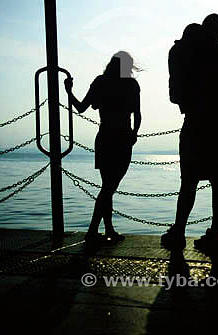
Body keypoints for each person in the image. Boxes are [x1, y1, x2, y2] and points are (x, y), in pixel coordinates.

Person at [161, 14, 218, 260]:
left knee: (188, 180)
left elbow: (175, 96)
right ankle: (216, 233)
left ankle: (179, 230)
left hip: (195, 121)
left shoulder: (190, 54)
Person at [64, 51, 142, 247]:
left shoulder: (101, 81)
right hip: (123, 138)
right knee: (109, 188)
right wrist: (134, 133)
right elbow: (138, 114)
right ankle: (93, 231)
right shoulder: (131, 85)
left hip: (105, 137)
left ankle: (107, 230)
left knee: (107, 186)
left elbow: (81, 107)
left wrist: (68, 92)